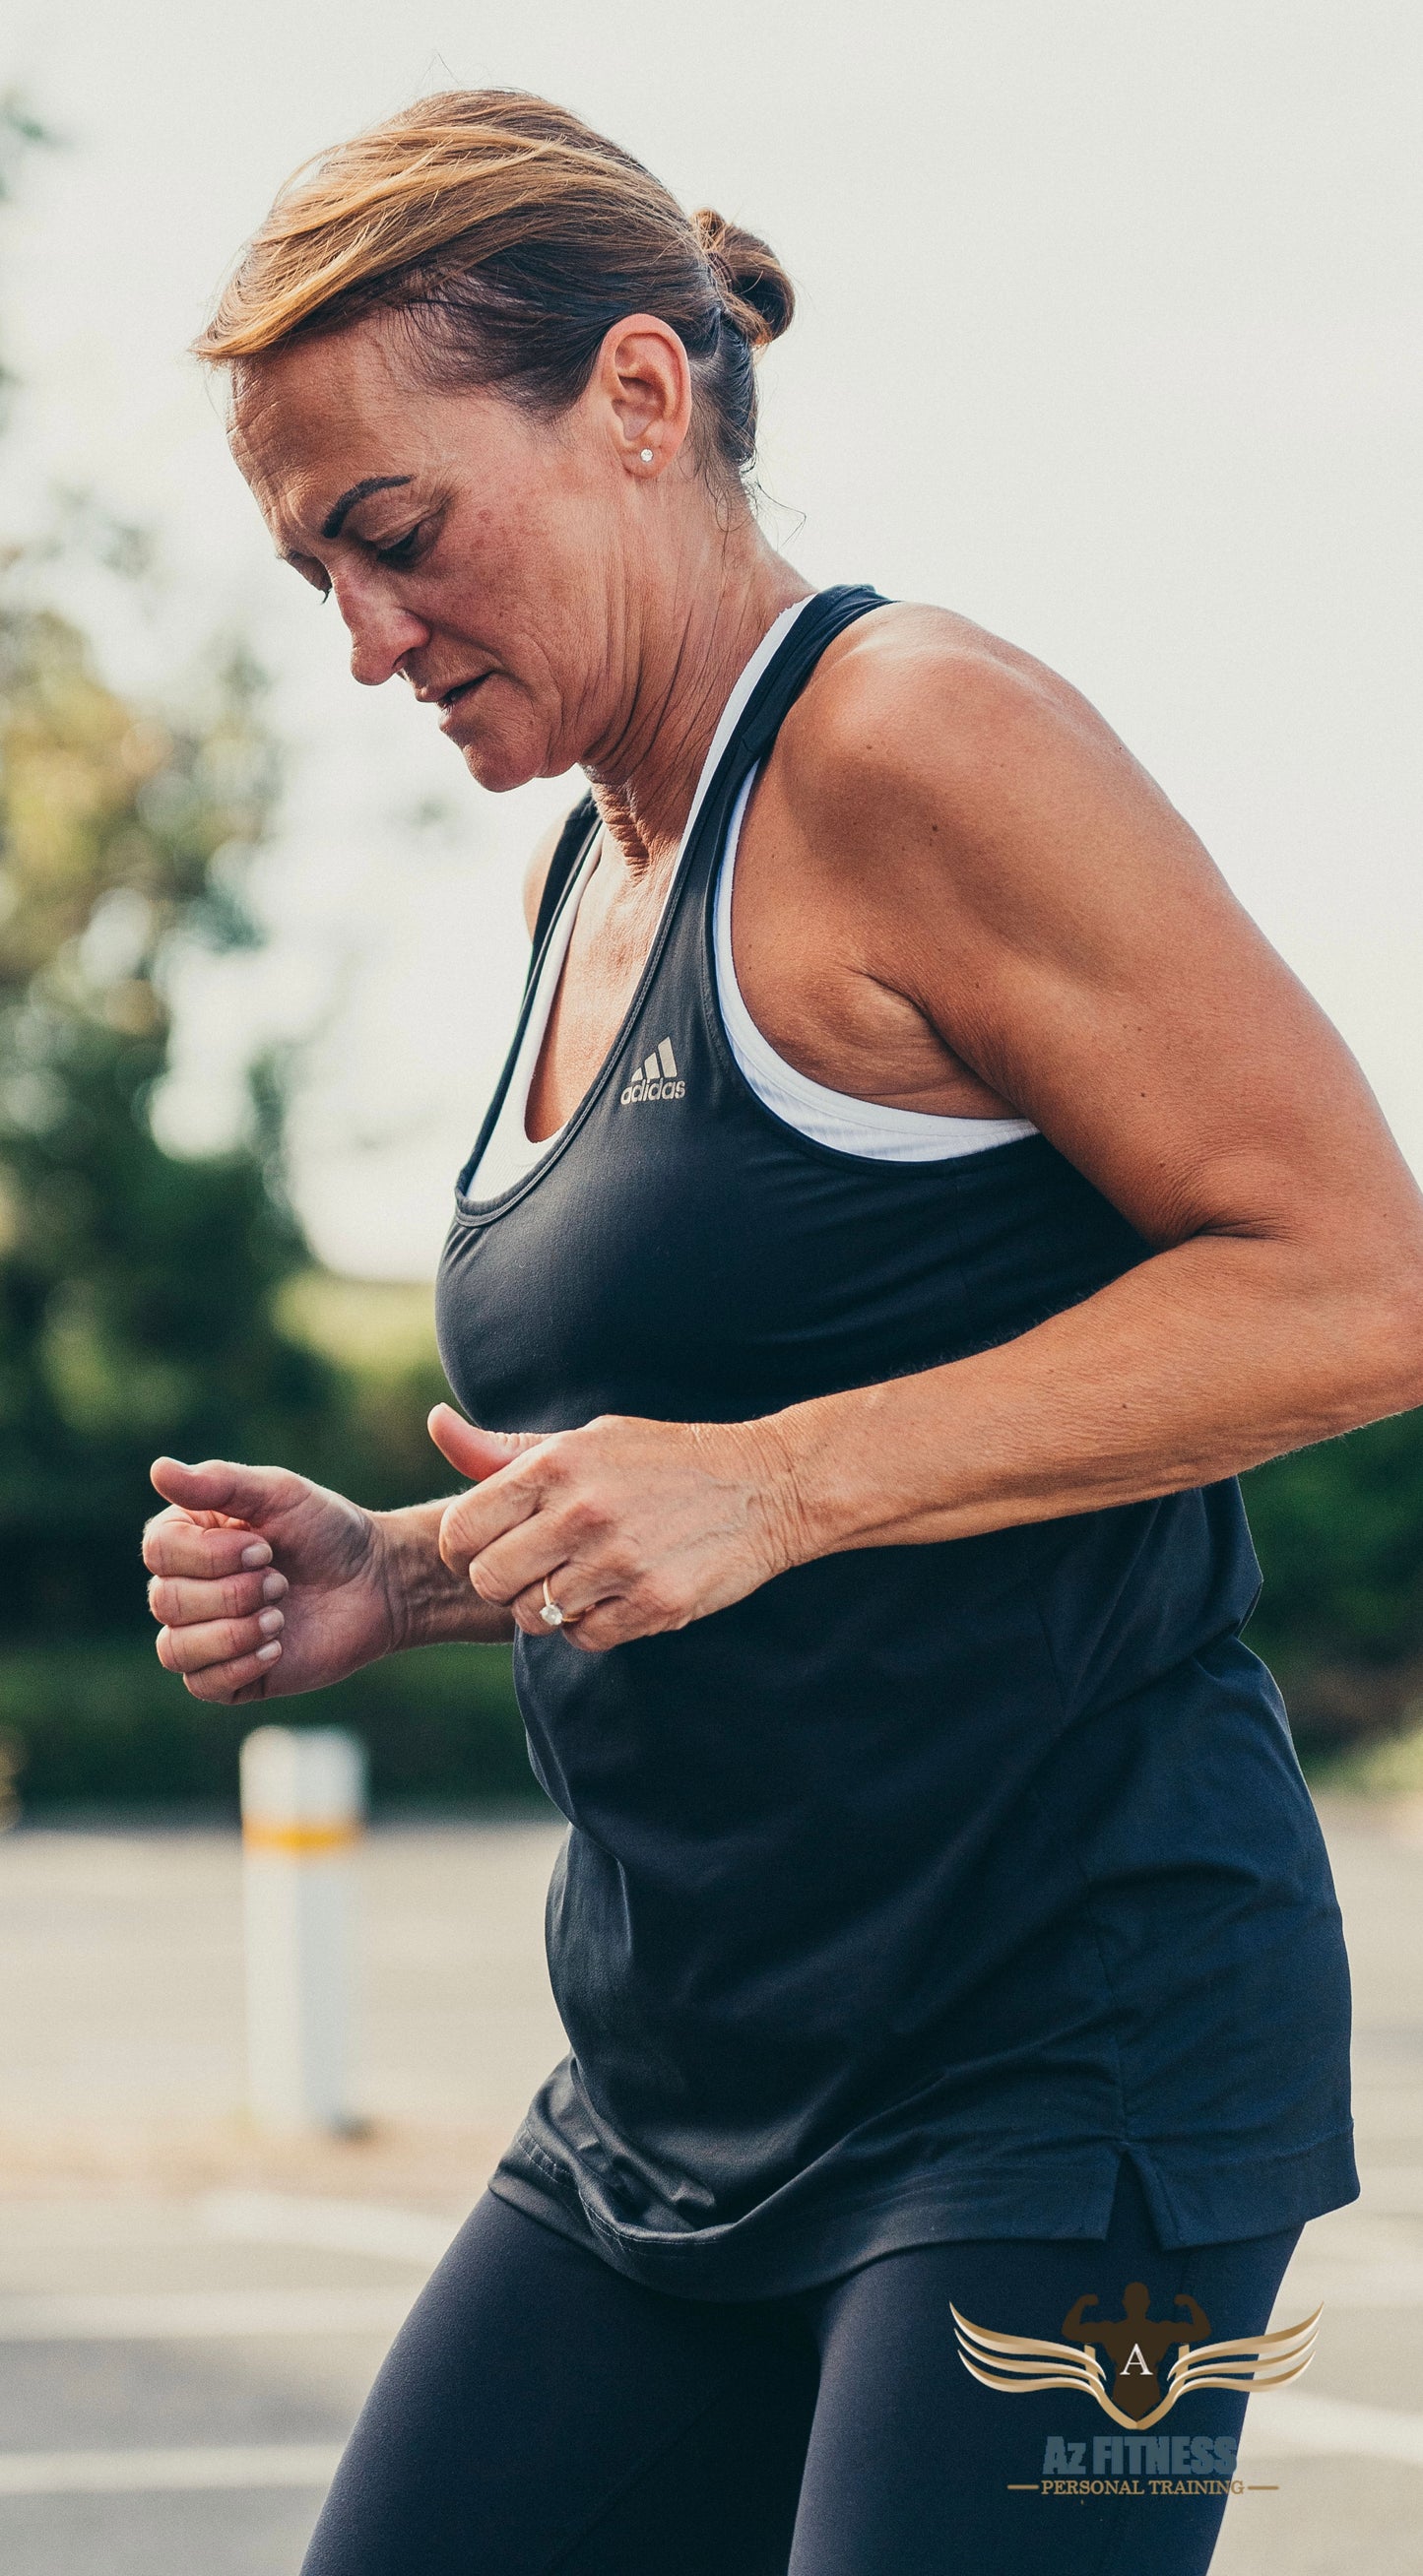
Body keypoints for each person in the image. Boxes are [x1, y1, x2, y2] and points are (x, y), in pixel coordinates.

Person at [141, 90, 1423, 2576]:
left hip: (1061, 2060)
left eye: (396, 532)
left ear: (639, 396)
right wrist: (405, 1570)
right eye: (315, 574)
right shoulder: (590, 864)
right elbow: (697, 1451)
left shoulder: (916, 737)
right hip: (684, 2073)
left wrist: (783, 1482)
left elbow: (1360, 1284)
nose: (366, 638)